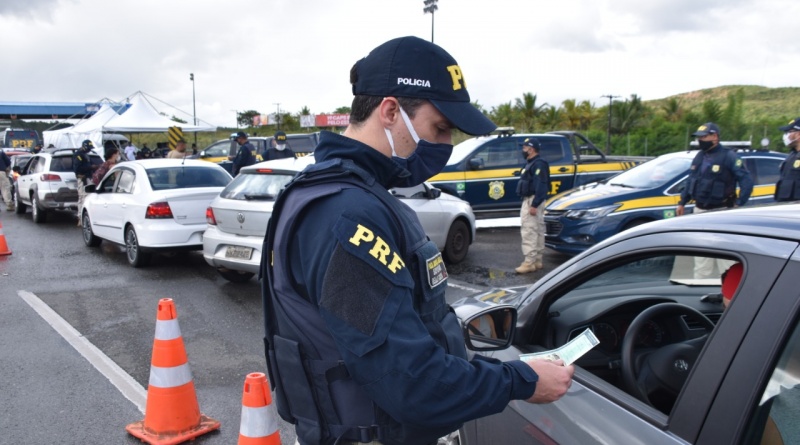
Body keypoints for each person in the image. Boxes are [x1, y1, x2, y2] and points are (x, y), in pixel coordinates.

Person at [261, 36, 574, 445]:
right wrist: (521, 381)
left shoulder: (347, 195)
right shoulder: (348, 213)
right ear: (390, 111)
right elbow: (411, 382)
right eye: (439, 128)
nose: (445, 145)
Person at [676, 123, 752, 278]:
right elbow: (691, 181)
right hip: (699, 212)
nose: (700, 140)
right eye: (699, 138)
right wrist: (682, 202)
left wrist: (739, 204)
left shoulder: (729, 156)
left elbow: (746, 182)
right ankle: (698, 291)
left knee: (725, 259)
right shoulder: (699, 156)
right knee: (701, 259)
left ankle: (729, 295)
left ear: (715, 136)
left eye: (704, 137)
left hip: (722, 212)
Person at [515, 137, 550, 274]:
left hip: (533, 200)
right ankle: (537, 261)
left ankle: (529, 262)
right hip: (533, 199)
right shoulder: (533, 163)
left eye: (524, 148)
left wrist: (534, 204)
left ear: (531, 149)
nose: (523, 150)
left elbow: (541, 184)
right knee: (537, 230)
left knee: (529, 230)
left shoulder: (538, 164)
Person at [775, 117, 800, 202]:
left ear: (799, 135)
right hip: (786, 208)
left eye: (789, 132)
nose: (786, 136)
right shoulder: (792, 155)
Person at [73, 140, 97, 226]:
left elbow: (91, 163)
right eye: (88, 148)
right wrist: (90, 167)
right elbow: (78, 168)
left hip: (88, 178)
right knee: (82, 197)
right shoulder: (78, 155)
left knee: (89, 197)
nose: (89, 150)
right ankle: (80, 218)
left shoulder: (86, 155)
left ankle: (87, 217)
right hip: (82, 178)